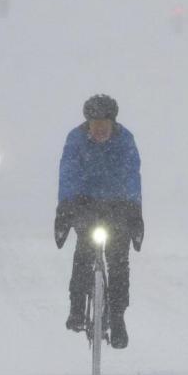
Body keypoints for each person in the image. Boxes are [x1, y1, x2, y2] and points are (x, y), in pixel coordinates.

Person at [54, 94, 144, 349]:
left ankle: (117, 318)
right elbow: (68, 173)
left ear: (113, 122)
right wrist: (65, 209)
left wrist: (134, 212)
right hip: (86, 204)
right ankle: (77, 308)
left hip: (118, 205)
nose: (100, 129)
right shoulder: (75, 139)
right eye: (95, 124)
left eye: (105, 123)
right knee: (84, 252)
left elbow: (132, 176)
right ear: (88, 123)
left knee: (118, 261)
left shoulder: (125, 140)